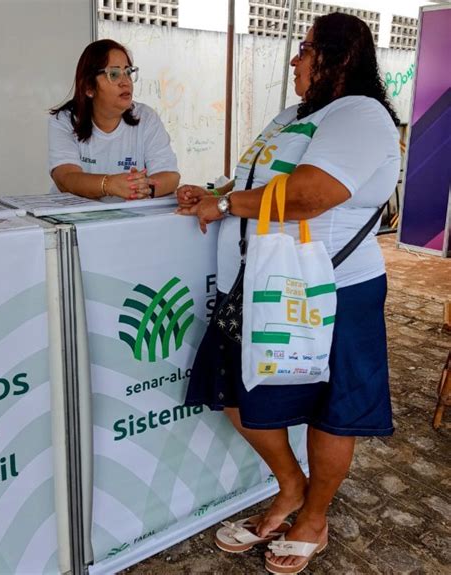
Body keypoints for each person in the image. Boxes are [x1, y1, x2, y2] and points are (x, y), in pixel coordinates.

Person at [177, 12, 400, 575]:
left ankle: (314, 517)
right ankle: (291, 486)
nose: (295, 60)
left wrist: (226, 206)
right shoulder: (292, 116)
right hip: (260, 282)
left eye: (304, 50)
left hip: (333, 290)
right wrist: (211, 190)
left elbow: (310, 194)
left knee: (331, 411)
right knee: (235, 392)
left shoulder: (362, 115)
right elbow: (256, 180)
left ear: (338, 58)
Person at [49, 39, 179, 201]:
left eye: (128, 72)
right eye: (114, 74)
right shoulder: (65, 120)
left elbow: (170, 176)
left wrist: (145, 188)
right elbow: (65, 178)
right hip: (75, 219)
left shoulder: (146, 117)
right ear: (89, 87)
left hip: (127, 218)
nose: (125, 82)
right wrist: (109, 184)